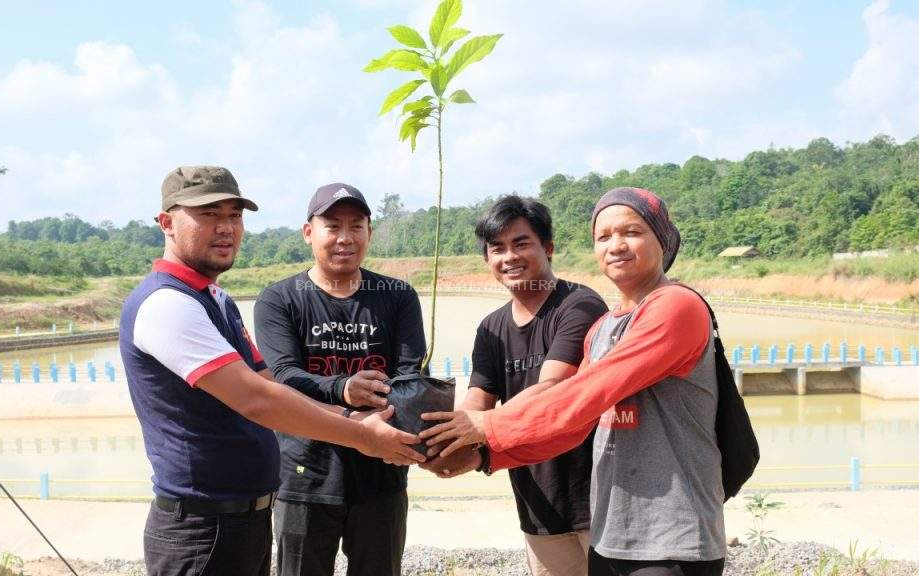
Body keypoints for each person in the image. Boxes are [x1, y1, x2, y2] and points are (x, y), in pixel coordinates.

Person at [120, 167, 424, 576]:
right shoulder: (167, 304)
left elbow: (266, 383)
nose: (226, 227)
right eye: (209, 214)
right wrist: (363, 434)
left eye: (234, 215)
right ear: (167, 223)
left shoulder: (216, 300)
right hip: (203, 524)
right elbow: (259, 398)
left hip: (245, 516)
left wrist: (354, 420)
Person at [421, 187, 727, 576]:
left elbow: (582, 394)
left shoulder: (675, 306)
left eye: (631, 232)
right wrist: (485, 456)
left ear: (662, 239)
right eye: (603, 237)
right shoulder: (603, 327)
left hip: (671, 536)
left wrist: (487, 425)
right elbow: (578, 425)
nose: (616, 245)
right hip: (613, 532)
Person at [422, 195, 607, 576]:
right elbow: (477, 399)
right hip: (536, 497)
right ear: (487, 259)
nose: (509, 257)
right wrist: (439, 442)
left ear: (548, 248)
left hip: (599, 496)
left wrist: (477, 430)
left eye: (521, 243)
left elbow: (553, 389)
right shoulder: (491, 328)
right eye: (497, 248)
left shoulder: (580, 306)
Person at [253, 182, 426, 576]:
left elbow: (409, 374)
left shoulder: (397, 295)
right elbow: (283, 377)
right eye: (332, 226)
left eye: (356, 226)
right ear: (308, 232)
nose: (345, 238)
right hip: (306, 474)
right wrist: (342, 387)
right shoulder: (279, 299)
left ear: (370, 232)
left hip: (382, 467)